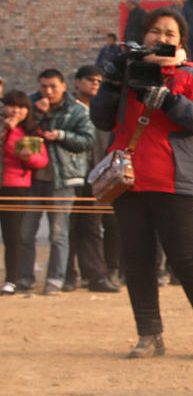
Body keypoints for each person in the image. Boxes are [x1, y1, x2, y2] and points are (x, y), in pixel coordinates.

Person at [89, 6, 193, 359]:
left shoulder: (190, 74)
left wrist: (168, 99)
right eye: (155, 31)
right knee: (137, 259)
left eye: (170, 33)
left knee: (186, 259)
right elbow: (101, 118)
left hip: (173, 180)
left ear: (181, 42)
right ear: (143, 35)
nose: (161, 38)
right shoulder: (126, 72)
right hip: (128, 180)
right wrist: (112, 80)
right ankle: (148, 334)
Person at [18, 69, 94, 294]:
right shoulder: (30, 105)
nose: (48, 91)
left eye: (52, 86)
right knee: (25, 233)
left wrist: (61, 135)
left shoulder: (78, 110)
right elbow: (23, 136)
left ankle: (55, 280)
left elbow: (87, 141)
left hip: (63, 180)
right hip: (32, 179)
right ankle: (24, 278)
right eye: (43, 86)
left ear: (63, 86)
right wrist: (39, 116)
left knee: (58, 234)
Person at [63, 65, 120, 293]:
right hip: (72, 174)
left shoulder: (104, 109)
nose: (95, 84)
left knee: (100, 226)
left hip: (100, 175)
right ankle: (71, 275)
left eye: (99, 80)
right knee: (71, 227)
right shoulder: (68, 109)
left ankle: (99, 274)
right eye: (90, 80)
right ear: (77, 82)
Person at [1, 90, 49, 295]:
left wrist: (28, 158)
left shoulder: (30, 131)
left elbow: (42, 160)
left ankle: (11, 279)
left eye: (21, 107)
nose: (16, 111)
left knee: (13, 235)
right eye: (11, 105)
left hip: (15, 186)